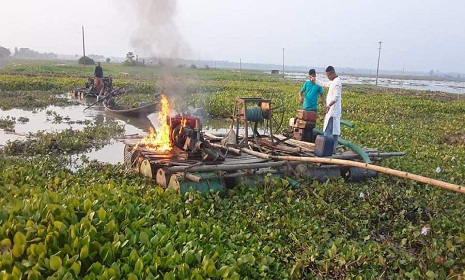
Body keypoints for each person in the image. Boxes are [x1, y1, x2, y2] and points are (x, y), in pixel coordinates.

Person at [310, 66, 342, 153]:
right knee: (334, 131)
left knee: (328, 131)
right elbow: (325, 84)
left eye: (328, 75)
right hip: (331, 111)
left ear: (332, 73)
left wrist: (328, 106)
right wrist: (315, 80)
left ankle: (326, 149)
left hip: (333, 112)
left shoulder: (337, 83)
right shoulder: (333, 82)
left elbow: (336, 97)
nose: (328, 77)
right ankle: (332, 149)